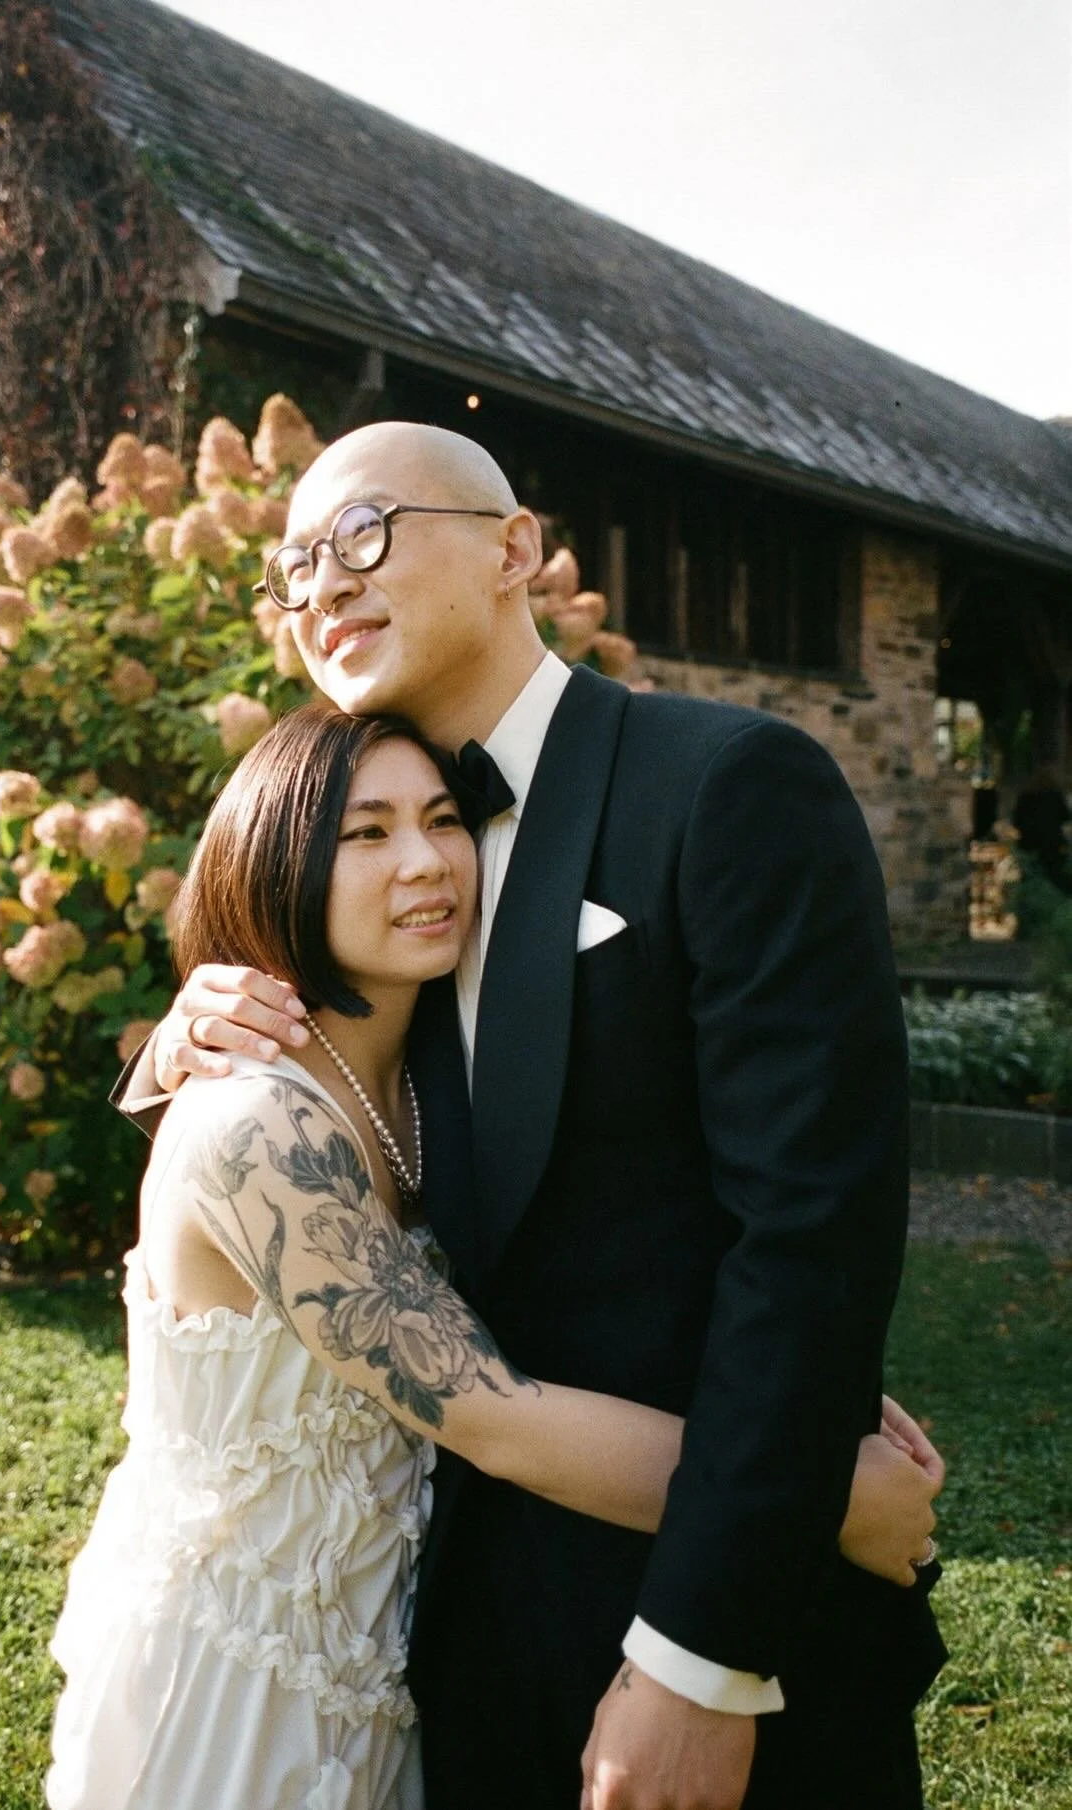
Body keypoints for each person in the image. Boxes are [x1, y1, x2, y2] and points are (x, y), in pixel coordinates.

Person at [114, 424, 948, 1810]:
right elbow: (308, 1134)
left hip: (722, 1632)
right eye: (292, 562)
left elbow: (809, 1235)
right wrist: (177, 1045)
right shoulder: (376, 874)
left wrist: (701, 1657)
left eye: (364, 532)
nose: (321, 580)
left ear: (512, 549)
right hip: (446, 1641)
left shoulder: (728, 786)